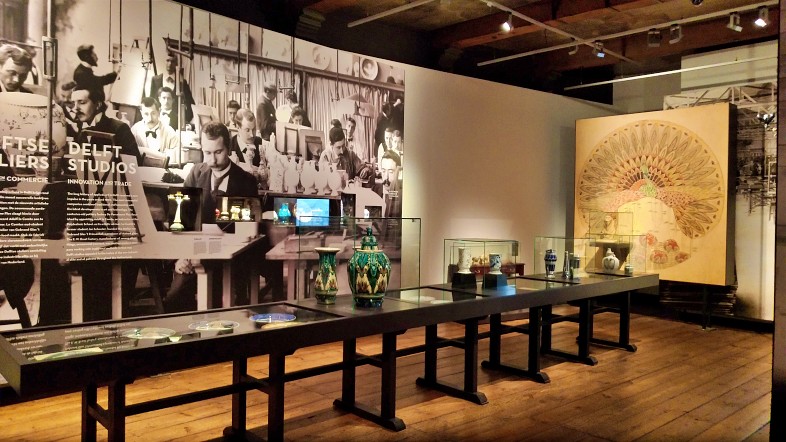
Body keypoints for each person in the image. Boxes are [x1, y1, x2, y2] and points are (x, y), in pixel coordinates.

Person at [163, 121, 258, 312]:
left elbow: (244, 234)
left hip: (228, 262)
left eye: (218, 152)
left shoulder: (246, 181)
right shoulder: (195, 173)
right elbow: (180, 224)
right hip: (192, 255)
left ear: (228, 148)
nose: (212, 160)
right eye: (207, 153)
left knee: (218, 305)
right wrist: (179, 258)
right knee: (174, 299)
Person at [72, 85, 142, 164]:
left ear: (98, 105)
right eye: (73, 103)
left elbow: (134, 164)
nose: (75, 108)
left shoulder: (120, 129)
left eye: (82, 102)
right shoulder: (77, 127)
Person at [148, 52, 194, 125]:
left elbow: (190, 104)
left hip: (175, 123)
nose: (170, 64)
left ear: (176, 64)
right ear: (164, 62)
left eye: (173, 61)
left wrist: (184, 121)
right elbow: (151, 101)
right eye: (168, 60)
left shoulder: (182, 83)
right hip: (158, 120)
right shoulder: (156, 80)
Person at [130, 96, 181, 161]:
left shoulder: (169, 132)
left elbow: (178, 155)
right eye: (146, 114)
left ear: (159, 112)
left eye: (153, 113)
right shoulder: (134, 130)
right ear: (141, 113)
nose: (150, 118)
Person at [373, 150, 402, 218]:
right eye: (383, 171)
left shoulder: (402, 197)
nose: (386, 177)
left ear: (398, 173)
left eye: (391, 172)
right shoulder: (374, 191)